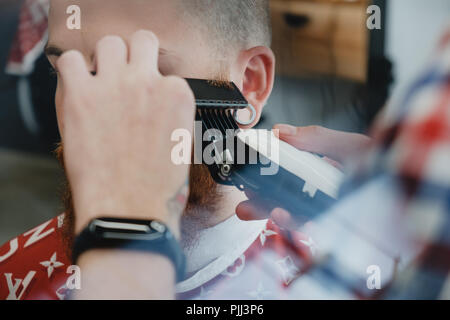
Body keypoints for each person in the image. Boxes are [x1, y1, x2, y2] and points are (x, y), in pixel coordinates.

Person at [0, 0, 370, 300]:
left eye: (136, 74)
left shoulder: (360, 273)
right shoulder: (12, 273)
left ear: (248, 84)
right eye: (65, 73)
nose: (82, 114)